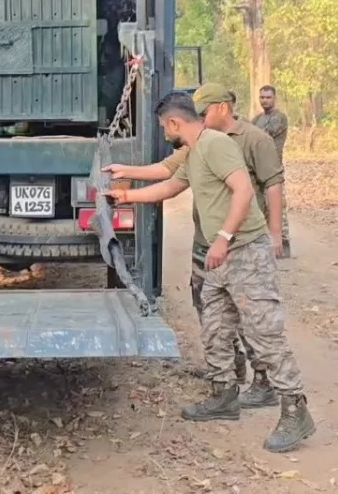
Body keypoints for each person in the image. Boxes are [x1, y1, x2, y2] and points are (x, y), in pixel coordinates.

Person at [107, 91, 314, 453]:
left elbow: (244, 190)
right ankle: (224, 394)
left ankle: (296, 409)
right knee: (216, 328)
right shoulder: (195, 149)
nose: (165, 132)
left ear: (174, 123)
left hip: (245, 252)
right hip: (218, 258)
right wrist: (126, 195)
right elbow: (171, 184)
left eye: (164, 127)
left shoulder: (216, 145)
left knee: (265, 333)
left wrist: (222, 238)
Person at [253, 85, 292, 257]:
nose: (264, 100)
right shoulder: (256, 119)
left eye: (268, 97)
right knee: (261, 208)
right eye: (262, 97)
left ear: (274, 98)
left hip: (274, 168)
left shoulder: (280, 118)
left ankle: (283, 246)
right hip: (258, 167)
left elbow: (263, 135)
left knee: (277, 209)